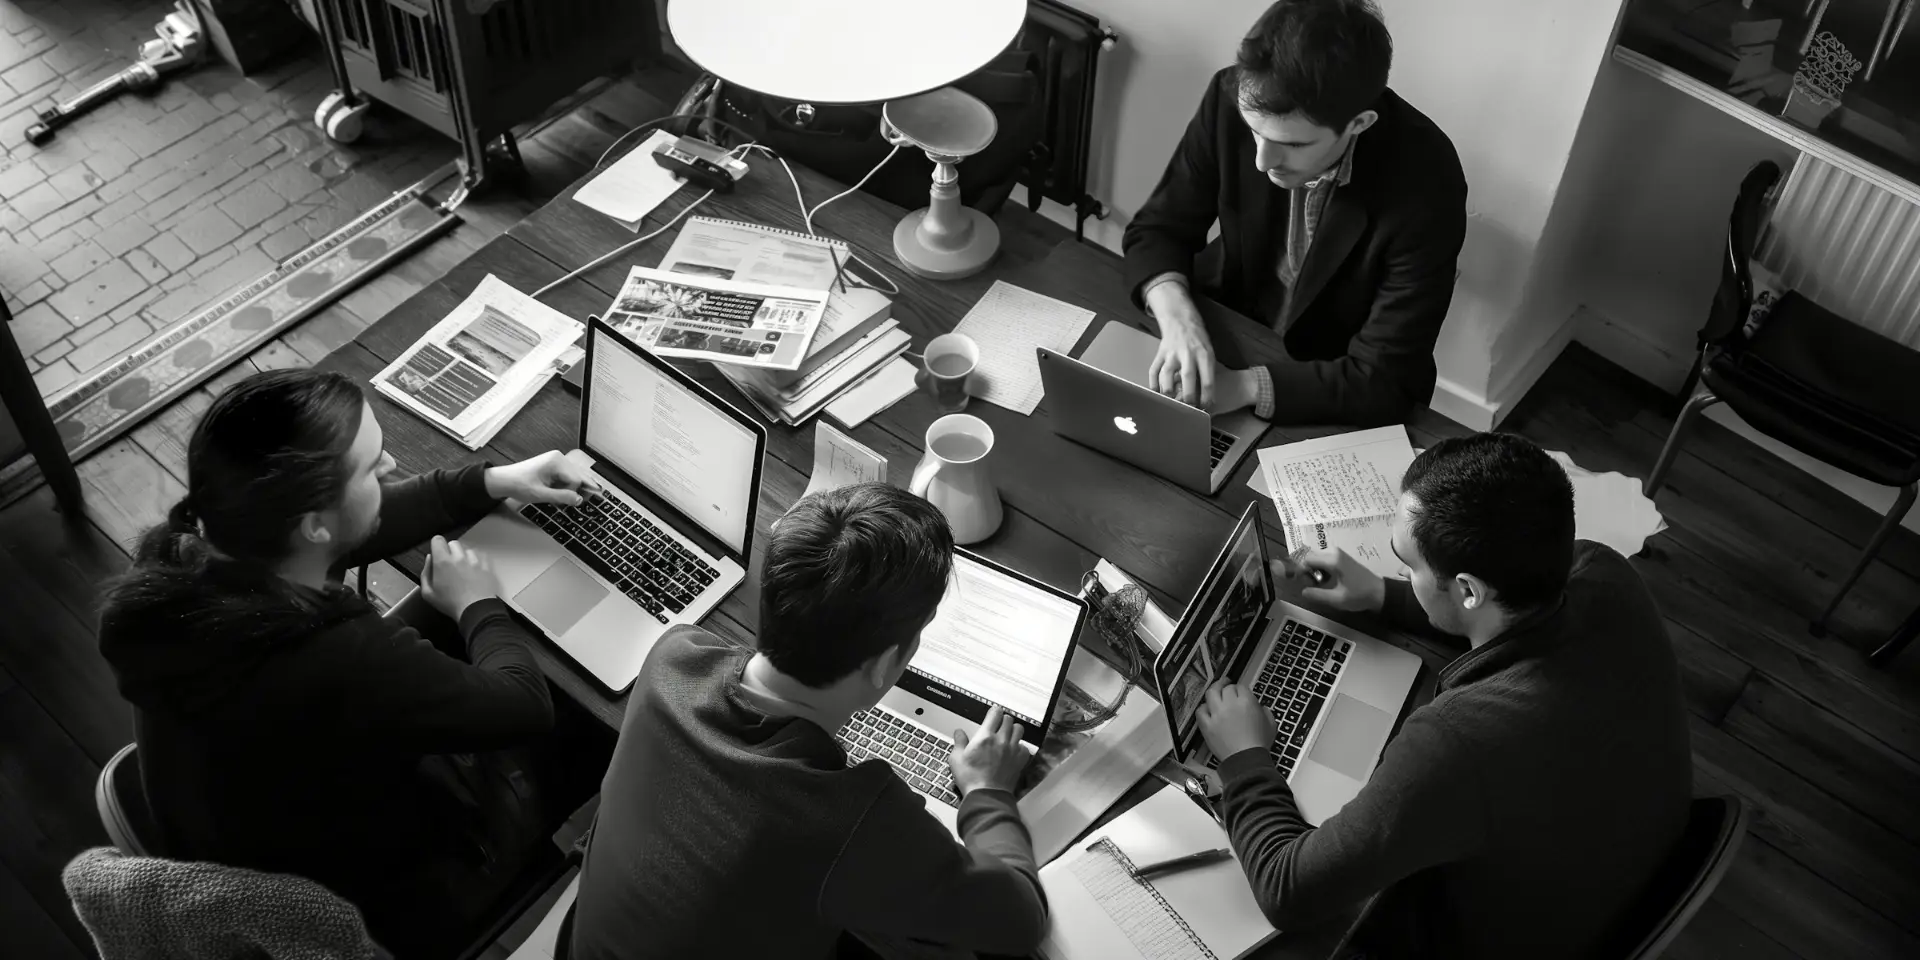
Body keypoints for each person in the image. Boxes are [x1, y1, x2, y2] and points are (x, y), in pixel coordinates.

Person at [97, 369, 604, 958]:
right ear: (312, 524)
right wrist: (478, 604)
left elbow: (341, 531)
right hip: (386, 896)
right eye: (370, 466)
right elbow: (524, 706)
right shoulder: (336, 658)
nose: (390, 466)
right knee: (592, 722)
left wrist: (491, 481)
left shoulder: (187, 556)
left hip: (258, 819)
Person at [1195, 433, 1691, 958]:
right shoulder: (1603, 570)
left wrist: (1245, 757)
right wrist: (1384, 594)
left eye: (1407, 564)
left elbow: (1286, 890)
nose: (1403, 573)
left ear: (1469, 590)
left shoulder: (1458, 741)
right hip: (1621, 861)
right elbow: (1512, 614)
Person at [569, 482, 1048, 960]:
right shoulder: (852, 822)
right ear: (883, 665)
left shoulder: (674, 656)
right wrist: (988, 794)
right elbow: (1020, 921)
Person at [1123, 0, 1468, 427]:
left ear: (1359, 123)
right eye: (1255, 133)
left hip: (1333, 382)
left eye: (1295, 145)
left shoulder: (1429, 180)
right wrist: (1180, 323)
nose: (1262, 162)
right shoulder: (1228, 95)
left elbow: (1385, 376)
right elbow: (1158, 229)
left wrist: (1245, 387)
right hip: (1229, 323)